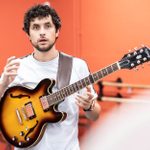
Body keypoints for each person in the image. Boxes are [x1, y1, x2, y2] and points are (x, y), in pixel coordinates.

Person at [0, 3, 100, 150]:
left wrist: (89, 106)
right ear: (28, 34)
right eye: (36, 27)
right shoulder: (16, 67)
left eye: (48, 26)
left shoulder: (77, 66)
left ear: (57, 31)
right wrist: (3, 84)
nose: (42, 32)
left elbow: (95, 115)